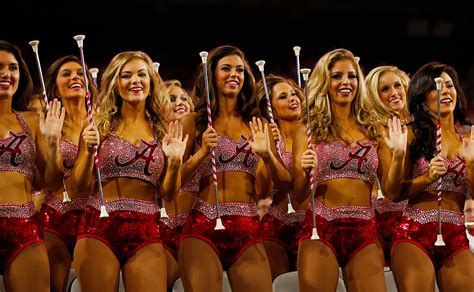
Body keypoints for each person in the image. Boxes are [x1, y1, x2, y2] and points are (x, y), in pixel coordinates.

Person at [71, 50, 188, 292]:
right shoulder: (98, 125)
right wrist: (86, 150)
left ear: (151, 82)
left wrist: (175, 162)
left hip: (146, 229)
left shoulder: (163, 129)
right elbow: (79, 186)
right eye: (126, 75)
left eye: (141, 74)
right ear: (115, 83)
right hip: (99, 228)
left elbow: (168, 193)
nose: (135, 80)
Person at [178, 45, 291, 292]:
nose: (234, 75)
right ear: (211, 76)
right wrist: (201, 153)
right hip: (202, 226)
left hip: (247, 227)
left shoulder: (258, 124)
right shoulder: (193, 122)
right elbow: (171, 182)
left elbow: (269, 190)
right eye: (226, 69)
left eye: (239, 70)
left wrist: (267, 156)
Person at [293, 48, 406, 291]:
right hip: (319, 228)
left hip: (364, 230)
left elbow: (392, 191)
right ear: (325, 81)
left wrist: (398, 156)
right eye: (337, 76)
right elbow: (298, 196)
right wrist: (304, 172)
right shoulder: (307, 128)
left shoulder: (375, 128)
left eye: (352, 76)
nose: (346, 82)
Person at [391, 61, 474, 291]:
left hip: (456, 236)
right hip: (414, 233)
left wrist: (471, 163)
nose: (446, 91)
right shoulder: (410, 134)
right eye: (437, 87)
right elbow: (395, 193)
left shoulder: (470, 136)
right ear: (422, 99)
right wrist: (427, 178)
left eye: (450, 85)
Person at [0, 40, 64, 291]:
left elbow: (51, 182)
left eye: (13, 68)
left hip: (24, 228)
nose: (6, 74)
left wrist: (52, 142)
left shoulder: (33, 121)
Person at [35, 55, 98, 292]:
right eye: (67, 74)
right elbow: (50, 182)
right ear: (54, 87)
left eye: (80, 73)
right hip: (55, 218)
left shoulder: (103, 120)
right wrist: (52, 142)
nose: (75, 77)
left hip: (96, 219)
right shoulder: (47, 122)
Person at [256, 74, 307, 278]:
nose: (292, 98)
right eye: (283, 97)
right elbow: (262, 190)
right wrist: (270, 153)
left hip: (314, 224)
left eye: (294, 94)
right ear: (272, 110)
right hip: (276, 227)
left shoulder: (318, 135)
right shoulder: (267, 138)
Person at [365, 65, 411, 266]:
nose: (394, 93)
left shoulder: (420, 127)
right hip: (377, 221)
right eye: (384, 89)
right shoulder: (372, 132)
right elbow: (391, 187)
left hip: (414, 218)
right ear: (374, 96)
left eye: (397, 85)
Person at [159, 79, 196, 289]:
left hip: (195, 231)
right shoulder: (151, 144)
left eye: (184, 98)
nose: (180, 102)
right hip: (160, 233)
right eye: (172, 98)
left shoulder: (204, 139)